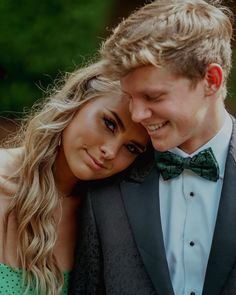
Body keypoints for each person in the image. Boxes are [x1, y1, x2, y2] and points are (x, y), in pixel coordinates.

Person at [70, 1, 236, 294]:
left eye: (153, 96)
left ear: (211, 80)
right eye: (130, 96)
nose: (136, 115)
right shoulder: (107, 185)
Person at [0, 60, 150, 295]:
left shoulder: (105, 215)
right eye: (109, 123)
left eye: (131, 148)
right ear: (76, 101)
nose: (110, 152)